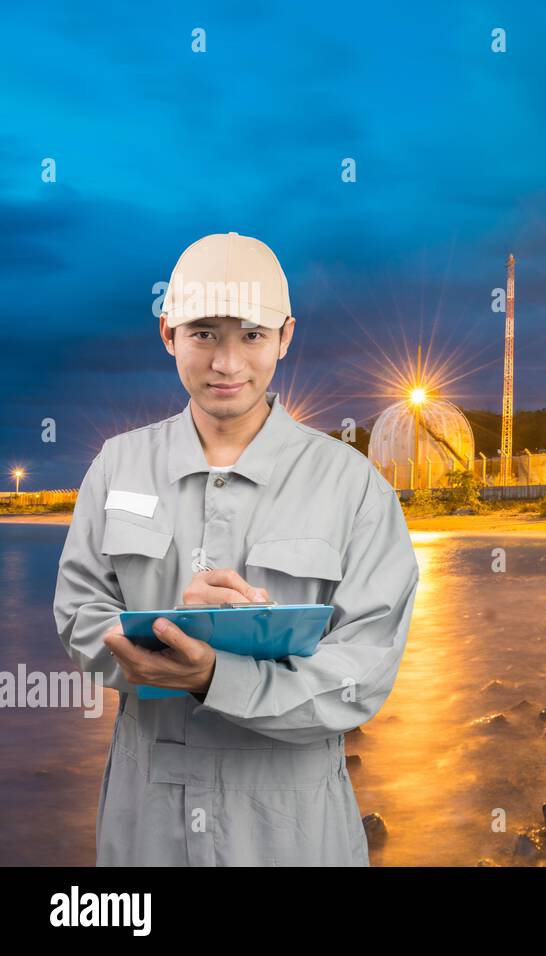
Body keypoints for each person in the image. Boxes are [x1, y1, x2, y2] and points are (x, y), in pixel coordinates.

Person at [52, 232, 419, 865]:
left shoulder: (353, 485)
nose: (226, 363)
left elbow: (363, 673)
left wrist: (215, 676)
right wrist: (170, 637)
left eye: (251, 335)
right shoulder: (117, 467)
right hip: (147, 826)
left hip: (292, 831)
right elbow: (79, 615)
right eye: (204, 334)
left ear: (285, 336)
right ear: (168, 333)